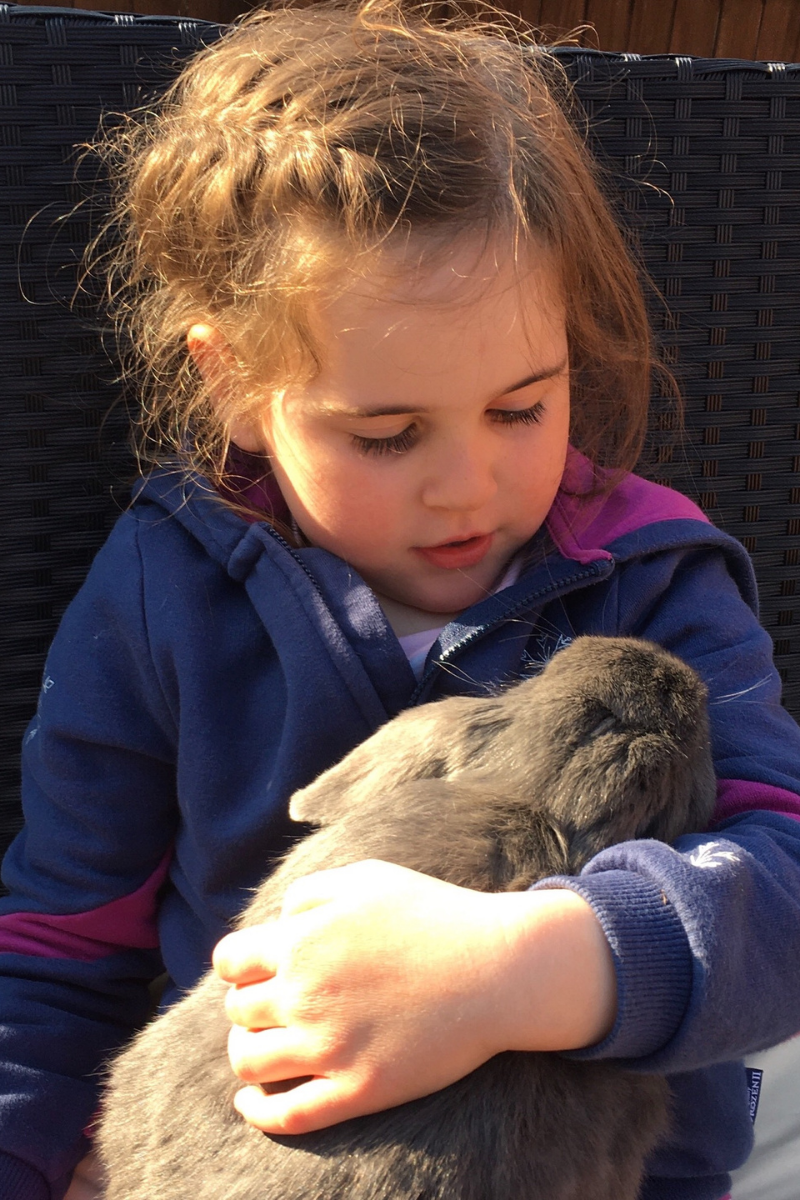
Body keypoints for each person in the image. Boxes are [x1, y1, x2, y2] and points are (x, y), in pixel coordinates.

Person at [1, 3, 799, 1199]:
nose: (469, 486)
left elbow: (783, 882)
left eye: (522, 407)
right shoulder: (166, 590)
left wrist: (529, 969)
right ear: (233, 384)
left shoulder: (653, 579)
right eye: (386, 434)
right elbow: (62, 949)